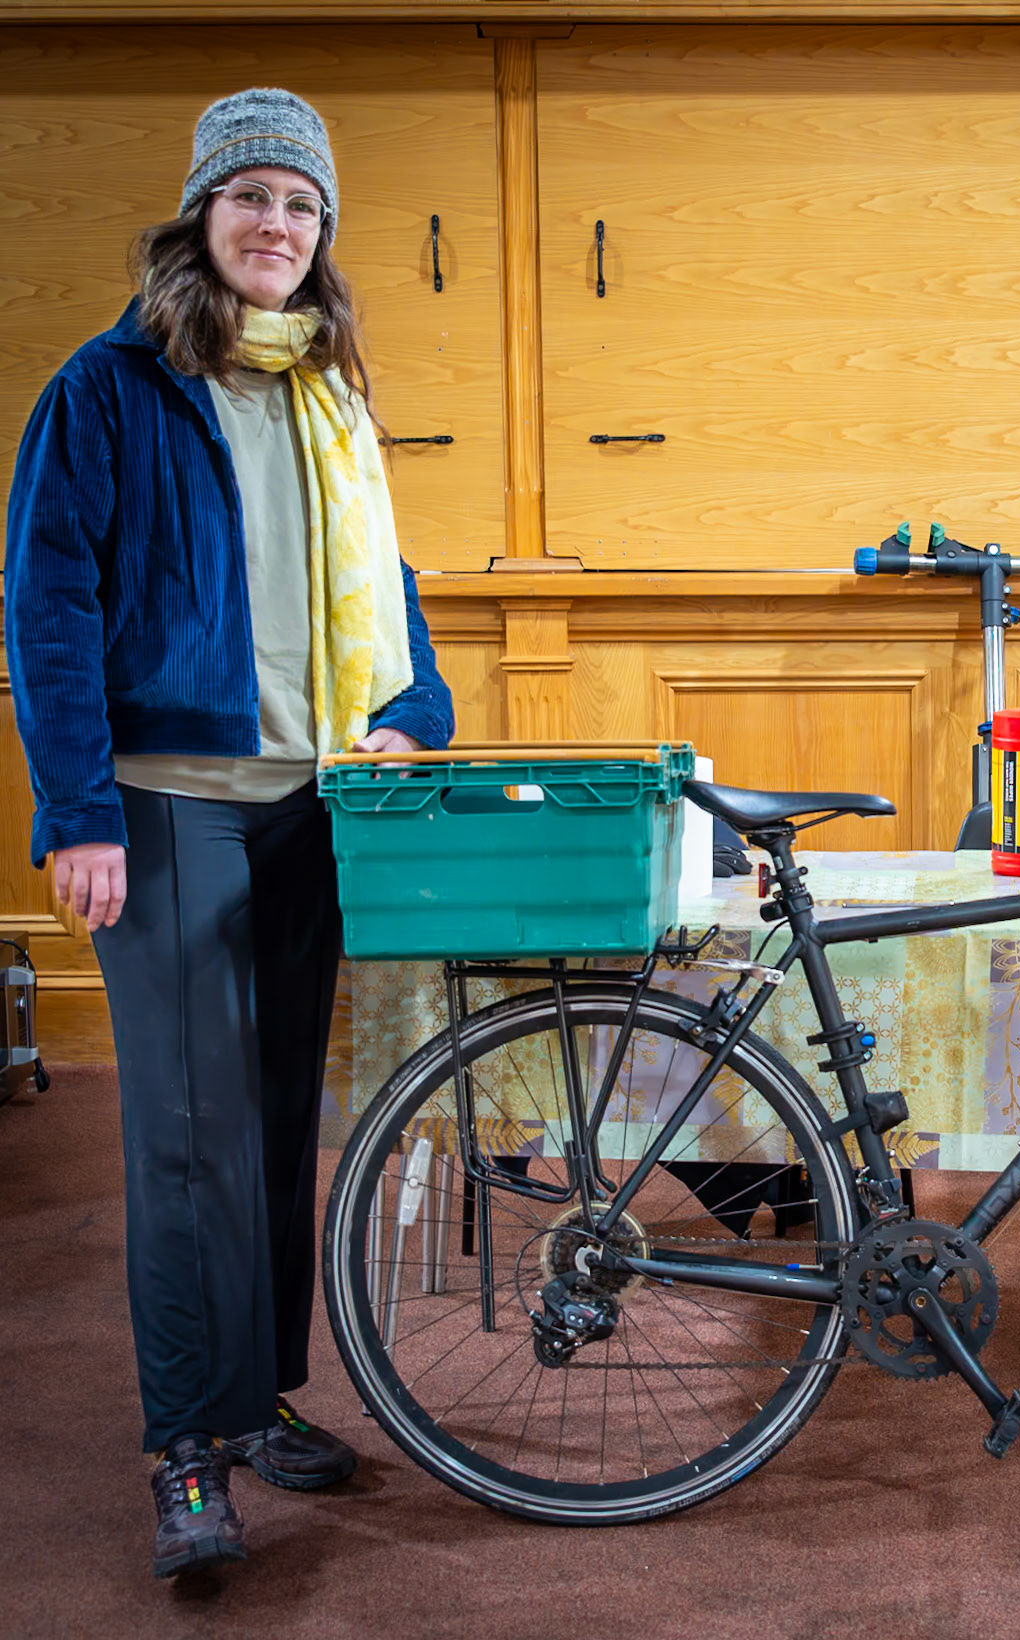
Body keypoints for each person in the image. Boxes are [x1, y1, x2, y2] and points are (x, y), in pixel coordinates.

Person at [3, 88, 454, 1579]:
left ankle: (254, 1402)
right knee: (185, 1143)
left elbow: (388, 581)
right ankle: (182, 1450)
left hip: (310, 807)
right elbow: (47, 608)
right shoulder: (110, 385)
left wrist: (419, 707)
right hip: (167, 808)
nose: (279, 225)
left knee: (271, 1123)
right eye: (254, 195)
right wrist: (74, 813)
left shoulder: (329, 392)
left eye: (304, 206)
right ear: (204, 215)